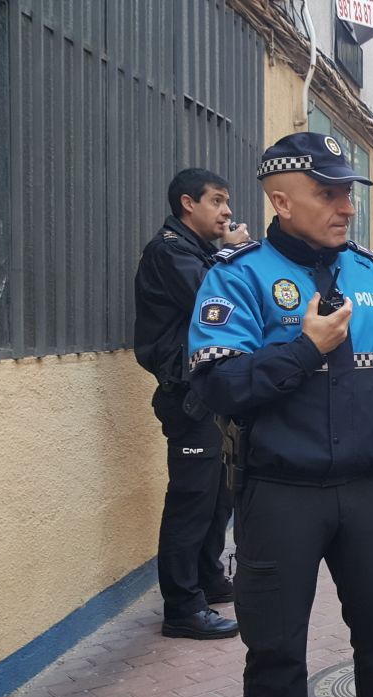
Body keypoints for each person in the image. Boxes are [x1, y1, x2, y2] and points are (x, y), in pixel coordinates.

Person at [188, 132, 373, 697]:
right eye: (326, 194)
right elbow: (218, 385)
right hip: (279, 494)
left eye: (347, 194)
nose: (345, 207)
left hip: (363, 492)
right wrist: (305, 349)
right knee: (275, 652)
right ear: (281, 201)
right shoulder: (239, 279)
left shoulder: (371, 276)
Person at [134, 168, 250, 640]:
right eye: (217, 201)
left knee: (217, 497)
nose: (226, 212)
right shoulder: (169, 250)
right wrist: (233, 252)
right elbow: (211, 300)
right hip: (188, 397)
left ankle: (207, 579)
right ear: (188, 203)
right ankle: (181, 608)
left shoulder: (197, 251)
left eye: (226, 202)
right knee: (190, 501)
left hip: (212, 394)